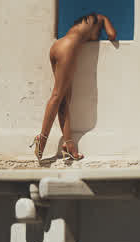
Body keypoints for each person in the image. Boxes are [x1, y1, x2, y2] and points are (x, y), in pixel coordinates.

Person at [30, 12, 117, 162]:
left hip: (58, 46)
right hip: (68, 48)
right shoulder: (101, 18)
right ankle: (42, 138)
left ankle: (69, 145)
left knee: (64, 100)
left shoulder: (80, 24)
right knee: (57, 95)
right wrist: (105, 21)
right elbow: (112, 35)